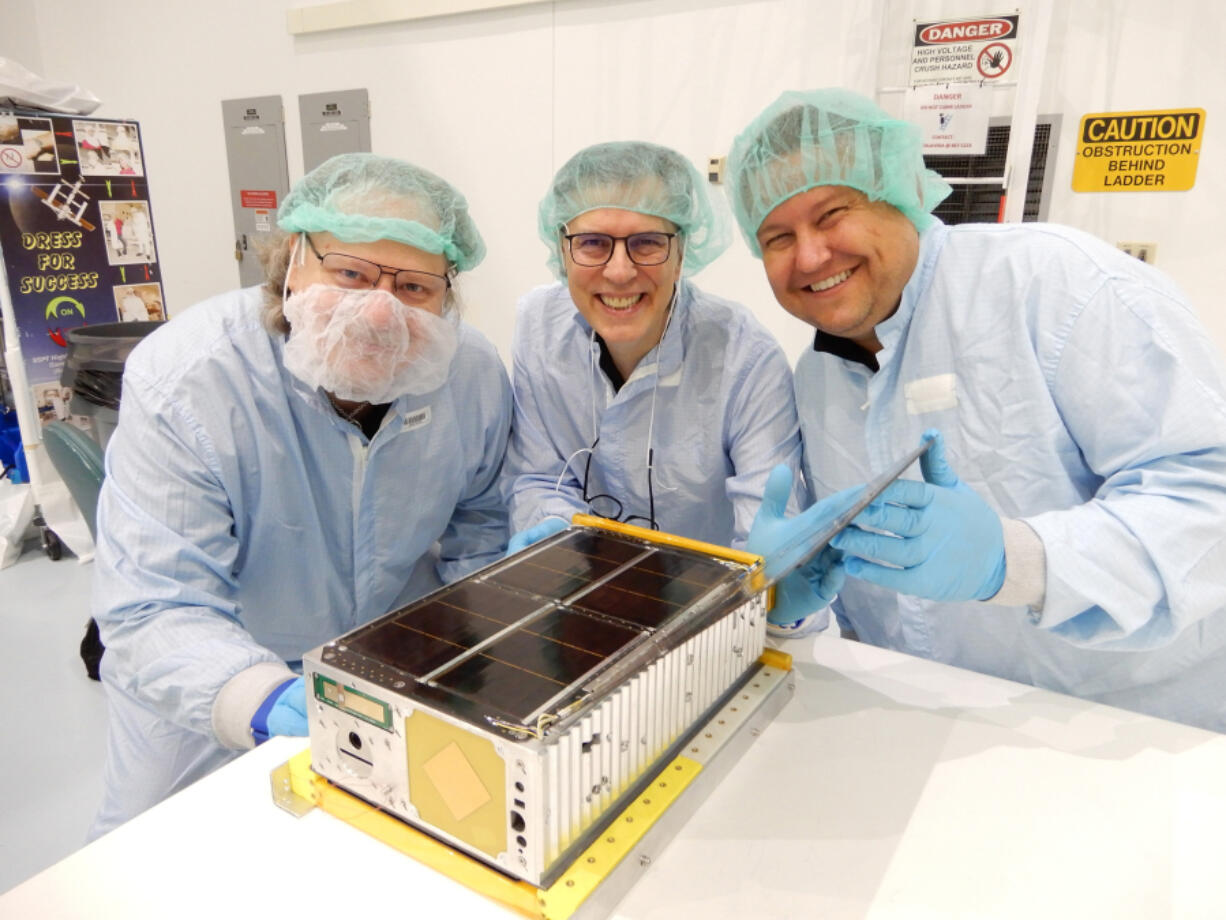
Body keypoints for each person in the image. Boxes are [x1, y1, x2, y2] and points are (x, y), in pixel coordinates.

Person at [723, 88, 1226, 732]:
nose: (810, 256)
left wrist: (1012, 560)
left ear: (898, 193)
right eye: (777, 236)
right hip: (933, 733)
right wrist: (788, 605)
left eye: (832, 214)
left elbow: (1206, 504)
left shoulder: (1055, 284)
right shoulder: (817, 377)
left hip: (1131, 731)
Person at [89, 153, 513, 836]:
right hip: (207, 687)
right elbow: (154, 608)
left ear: (448, 293)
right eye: (350, 274)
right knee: (144, 866)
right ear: (291, 265)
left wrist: (480, 645)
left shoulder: (472, 374)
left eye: (412, 286)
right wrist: (268, 700)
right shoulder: (191, 380)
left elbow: (481, 528)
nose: (379, 310)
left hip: (384, 671)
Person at [503, 140, 856, 628]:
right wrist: (550, 531)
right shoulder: (539, 328)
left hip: (713, 619)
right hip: (581, 605)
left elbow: (765, 527)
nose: (620, 270)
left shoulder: (743, 358)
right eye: (592, 243)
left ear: (683, 250)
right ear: (561, 250)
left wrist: (767, 596)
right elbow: (539, 474)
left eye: (647, 241)